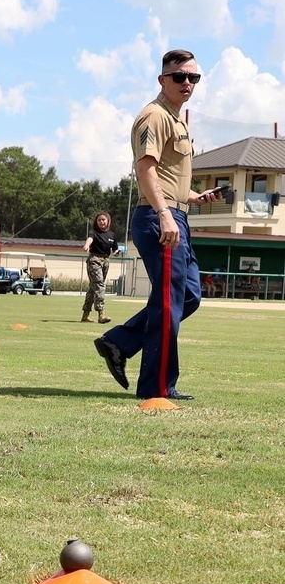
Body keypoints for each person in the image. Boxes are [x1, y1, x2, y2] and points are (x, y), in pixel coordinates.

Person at [94, 49, 226, 401]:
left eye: (193, 77)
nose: (187, 83)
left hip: (174, 212)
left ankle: (118, 341)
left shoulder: (177, 118)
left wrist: (194, 197)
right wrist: (166, 212)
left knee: (187, 296)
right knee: (170, 301)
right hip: (159, 216)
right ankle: (156, 388)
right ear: (162, 79)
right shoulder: (154, 116)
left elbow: (168, 173)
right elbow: (146, 169)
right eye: (179, 76)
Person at [81, 211, 119, 324]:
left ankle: (85, 315)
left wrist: (116, 252)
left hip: (105, 261)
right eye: (99, 220)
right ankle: (101, 314)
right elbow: (90, 239)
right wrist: (87, 245)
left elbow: (115, 249)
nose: (101, 222)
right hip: (94, 260)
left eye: (103, 220)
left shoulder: (112, 235)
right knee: (99, 286)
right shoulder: (94, 232)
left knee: (94, 288)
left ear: (108, 221)